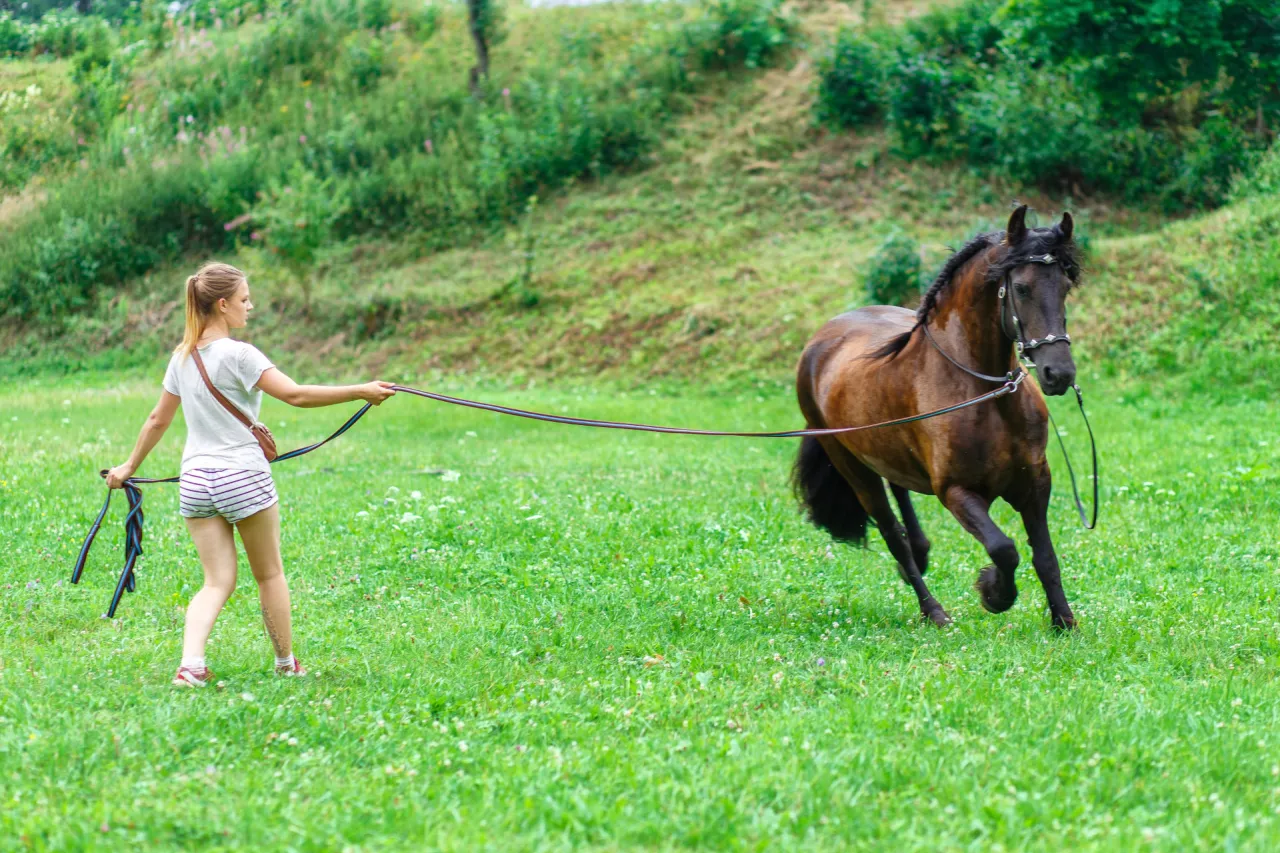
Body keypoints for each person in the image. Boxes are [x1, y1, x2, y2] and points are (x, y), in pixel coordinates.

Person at [106, 262, 396, 687]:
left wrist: (127, 467)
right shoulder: (241, 354)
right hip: (241, 476)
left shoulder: (181, 357)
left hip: (196, 483)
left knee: (216, 581)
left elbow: (157, 420)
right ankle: (285, 663)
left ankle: (191, 665)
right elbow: (295, 394)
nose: (250, 307)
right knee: (270, 574)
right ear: (222, 305)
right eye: (244, 300)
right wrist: (361, 390)